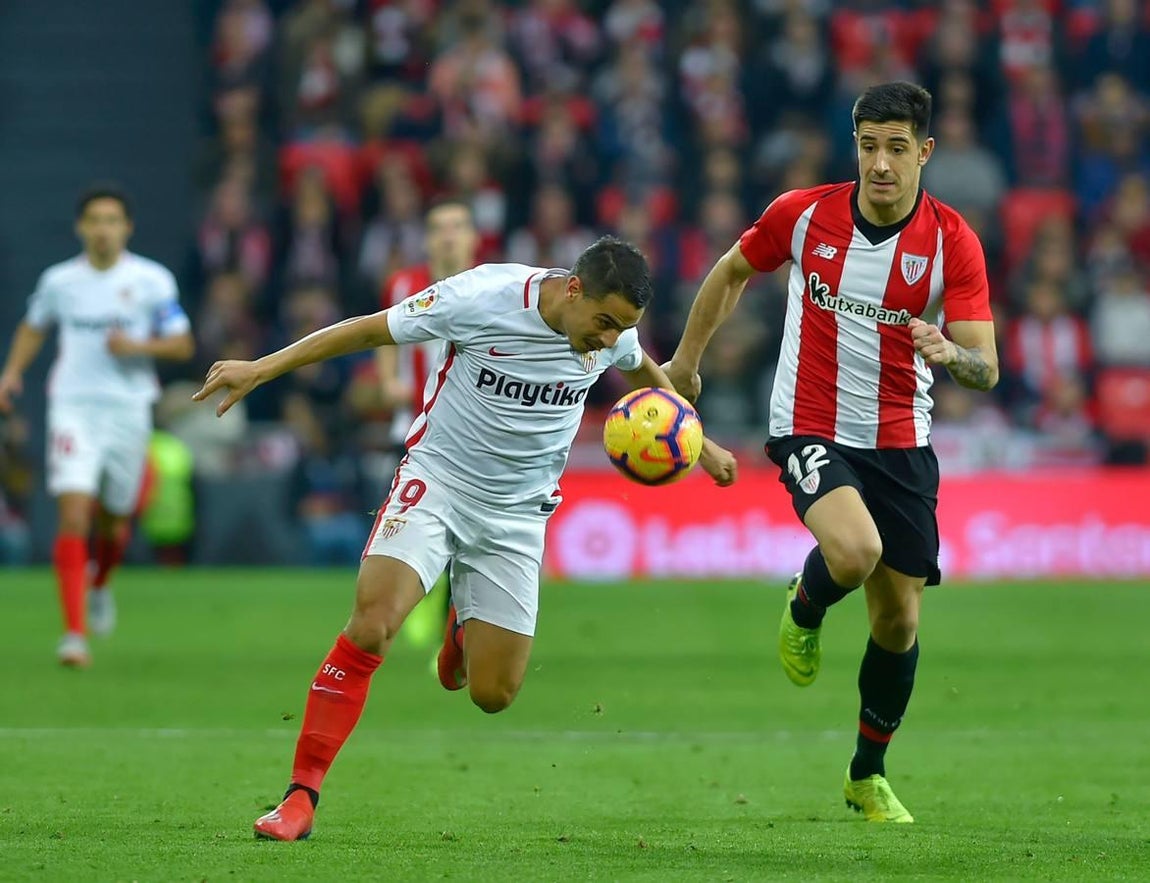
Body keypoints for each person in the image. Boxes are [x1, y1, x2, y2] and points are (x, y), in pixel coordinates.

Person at [192, 236, 738, 841]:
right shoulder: (481, 296)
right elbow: (368, 331)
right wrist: (262, 368)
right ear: (574, 289)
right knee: (373, 624)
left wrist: (699, 440)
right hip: (439, 483)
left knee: (493, 694)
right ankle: (300, 796)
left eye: (622, 329)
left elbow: (642, 369)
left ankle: (460, 625)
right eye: (605, 323)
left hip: (518, 514)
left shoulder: (612, 334)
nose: (609, 340)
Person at [664, 82, 998, 823]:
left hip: (902, 439)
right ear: (856, 146)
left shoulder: (952, 242)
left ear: (925, 152)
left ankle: (865, 773)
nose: (881, 163)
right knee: (853, 552)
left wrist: (950, 352)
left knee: (899, 622)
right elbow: (730, 273)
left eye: (897, 148)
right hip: (810, 422)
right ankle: (805, 603)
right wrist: (688, 362)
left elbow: (987, 365)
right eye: (868, 145)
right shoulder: (804, 214)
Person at [0, 183, 195, 667]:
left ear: (126, 227)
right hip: (73, 407)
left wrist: (137, 348)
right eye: (95, 220)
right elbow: (33, 326)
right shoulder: (59, 281)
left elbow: (182, 345)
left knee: (112, 517)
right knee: (73, 512)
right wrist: (12, 372)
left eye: (112, 220)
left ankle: (102, 583)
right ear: (81, 227)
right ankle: (74, 634)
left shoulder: (152, 280)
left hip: (128, 409)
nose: (103, 229)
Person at [376, 197, 480, 650]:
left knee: (465, 534)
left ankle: (446, 620)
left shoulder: (489, 286)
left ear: (473, 236)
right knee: (410, 521)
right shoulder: (403, 283)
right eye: (439, 226)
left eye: (458, 225)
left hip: (472, 428)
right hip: (416, 423)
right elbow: (382, 333)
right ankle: (419, 600)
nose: (449, 235)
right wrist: (385, 380)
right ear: (427, 237)